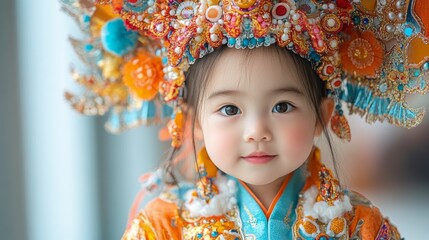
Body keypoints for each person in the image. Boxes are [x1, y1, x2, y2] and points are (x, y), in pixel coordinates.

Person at [61, 0, 429, 239]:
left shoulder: (360, 225)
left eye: (282, 106)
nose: (257, 132)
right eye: (230, 109)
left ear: (322, 115)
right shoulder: (163, 225)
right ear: (194, 121)